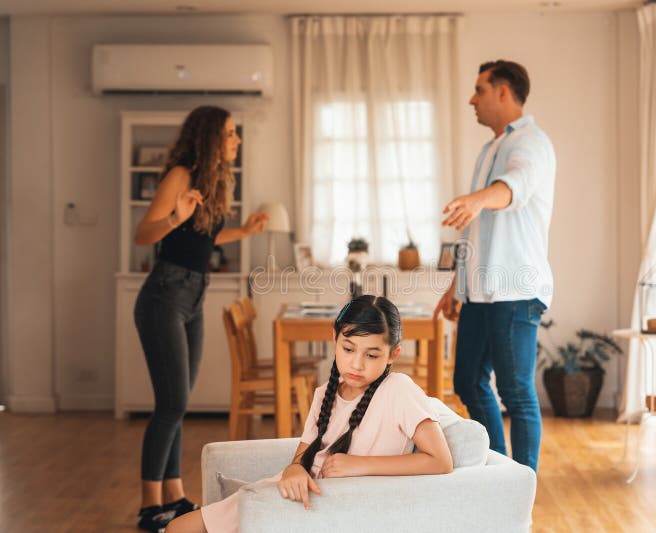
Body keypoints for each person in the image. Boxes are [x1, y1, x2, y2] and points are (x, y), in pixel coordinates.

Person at [166, 295, 453, 533]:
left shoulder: (398, 389)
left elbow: (441, 461)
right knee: (177, 529)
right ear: (334, 339)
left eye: (372, 355)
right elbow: (301, 458)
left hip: (320, 511)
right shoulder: (324, 393)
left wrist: (359, 465)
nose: (357, 363)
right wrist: (293, 470)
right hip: (291, 495)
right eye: (348, 348)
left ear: (393, 354)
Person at [133, 105, 269, 532]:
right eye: (230, 134)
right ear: (211, 137)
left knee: (178, 403)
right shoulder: (180, 175)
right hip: (164, 295)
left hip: (192, 295)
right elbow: (144, 233)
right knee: (171, 403)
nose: (236, 141)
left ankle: (173, 496)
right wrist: (175, 217)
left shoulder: (212, 182)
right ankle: (149, 505)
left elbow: (203, 237)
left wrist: (244, 232)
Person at [435, 60, 556, 473]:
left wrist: (478, 199)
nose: (472, 99)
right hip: (481, 293)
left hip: (515, 293)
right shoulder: (490, 149)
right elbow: (479, 232)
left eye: (479, 90)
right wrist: (458, 285)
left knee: (517, 392)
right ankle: (498, 475)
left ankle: (519, 489)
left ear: (503, 91)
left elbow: (514, 187)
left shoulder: (531, 143)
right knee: (466, 381)